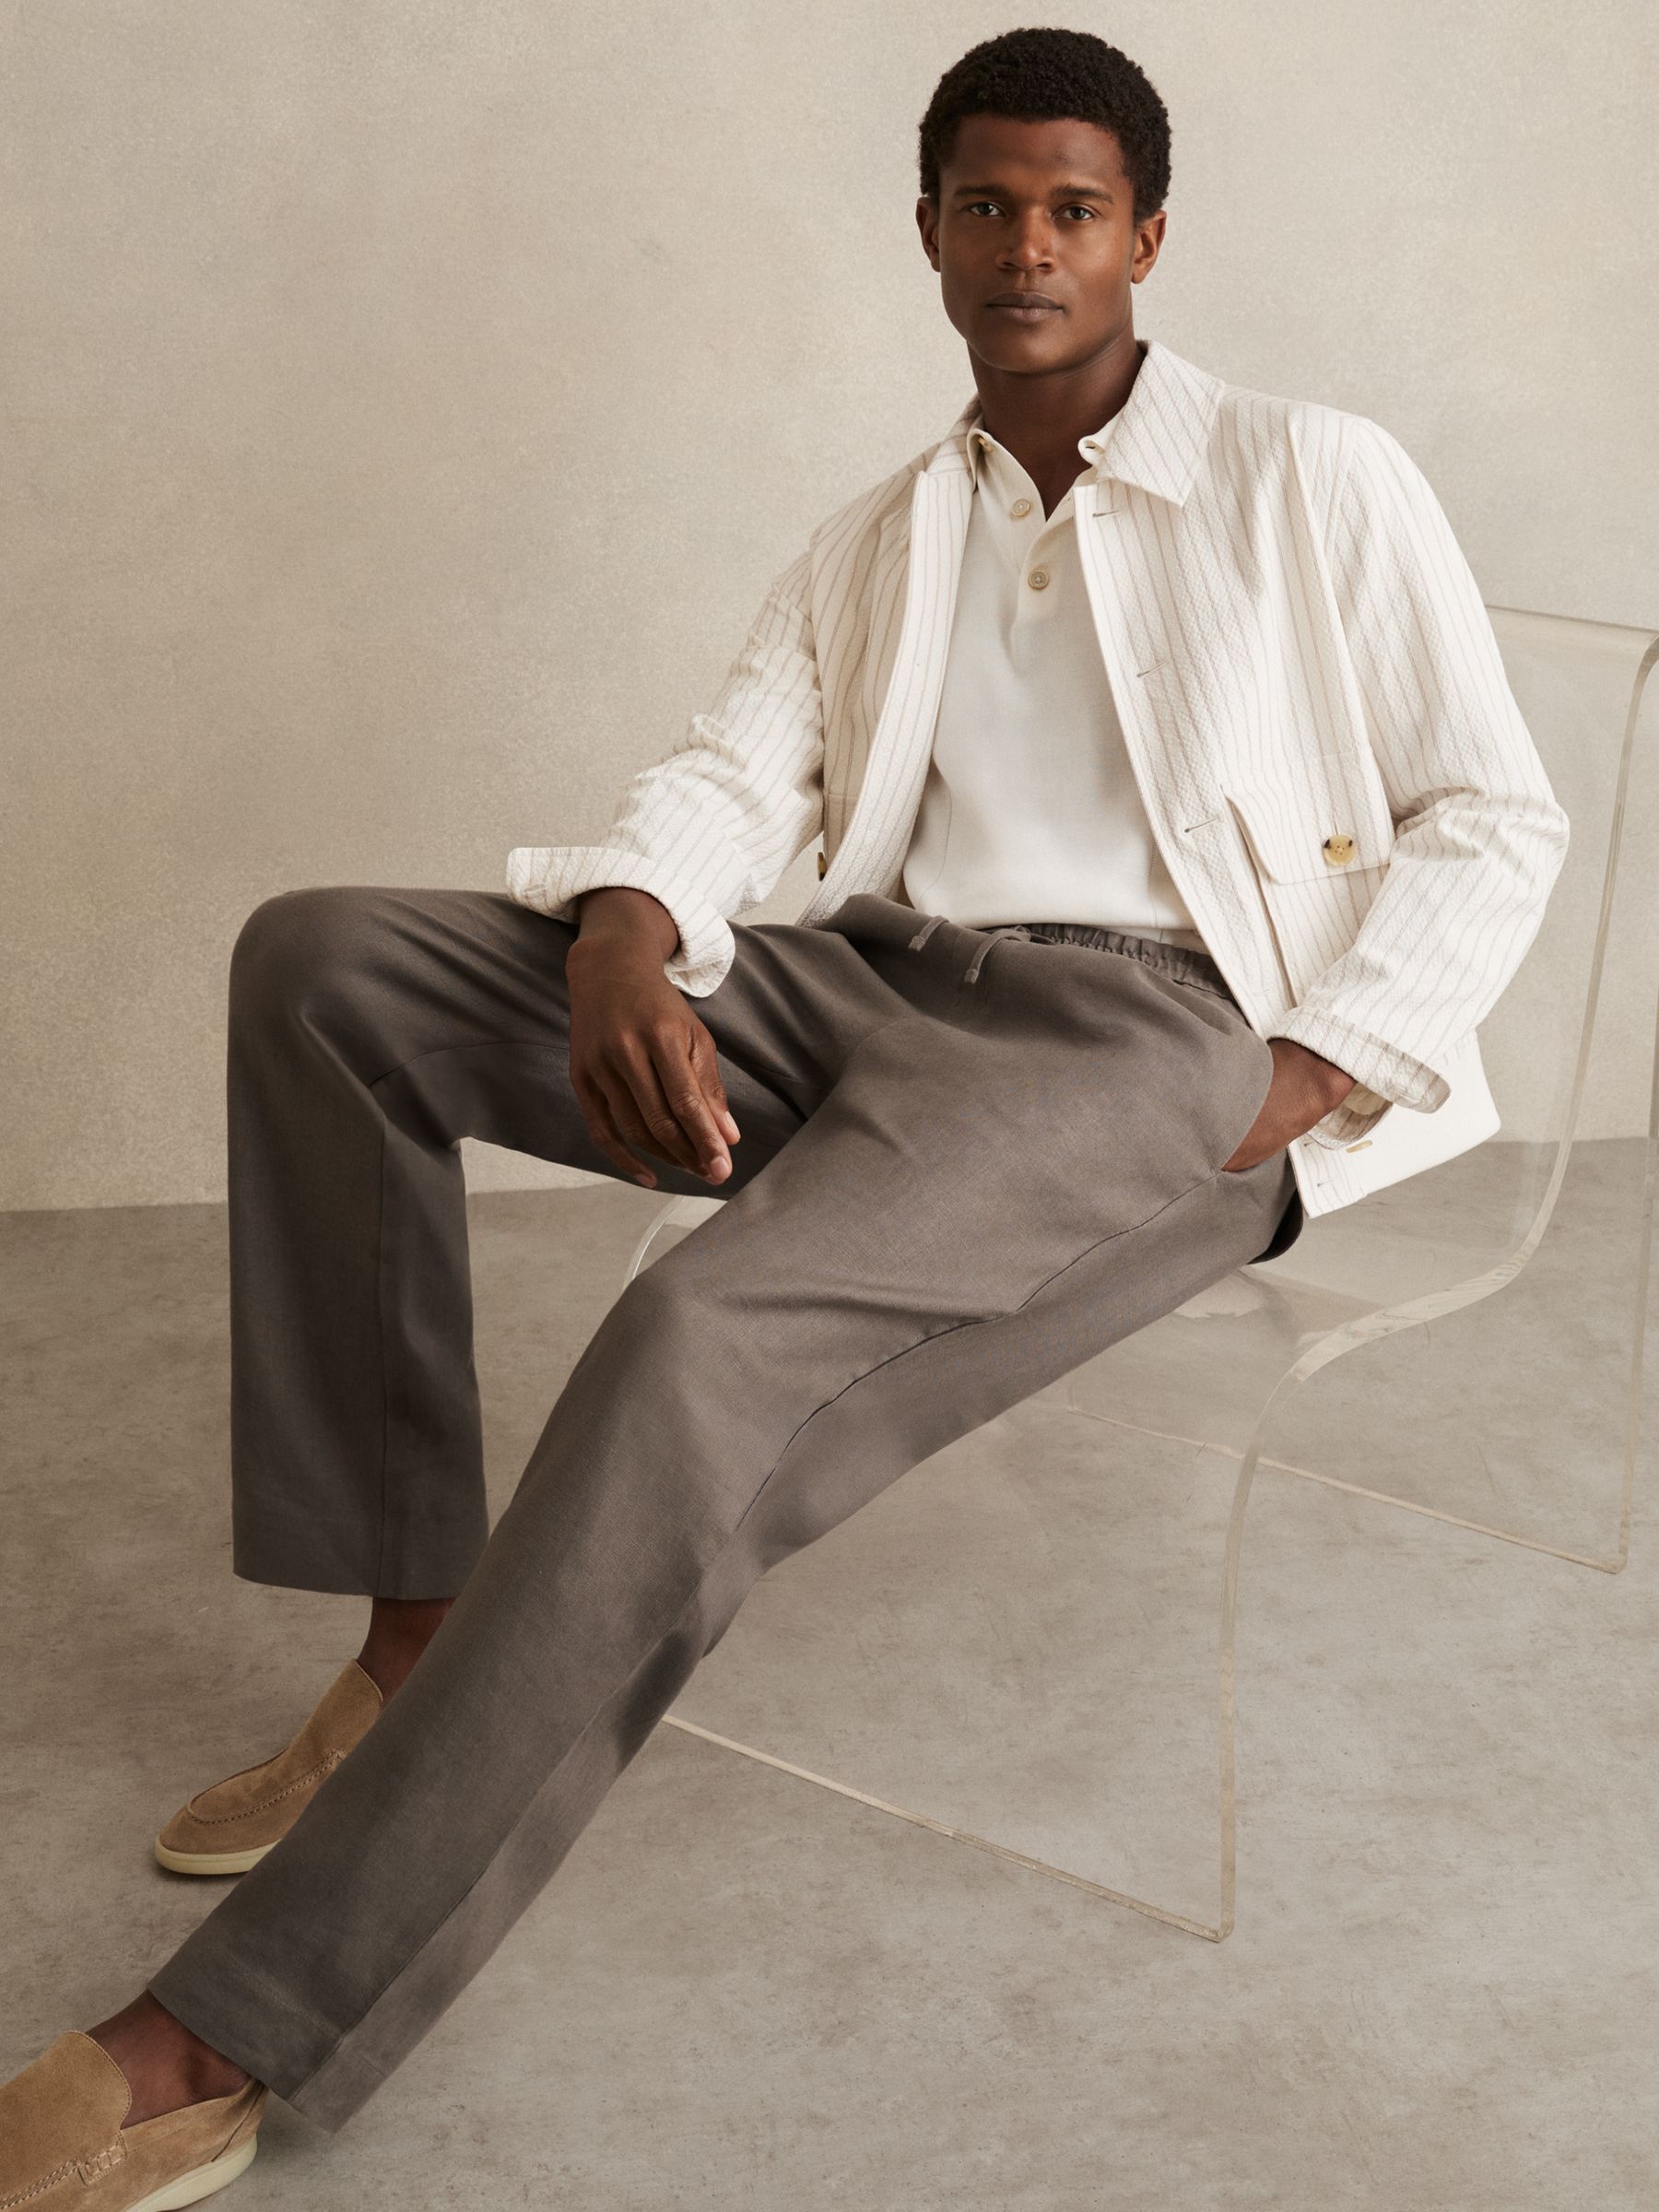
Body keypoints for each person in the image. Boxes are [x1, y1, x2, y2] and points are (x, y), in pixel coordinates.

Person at [1, 25, 1568, 2206]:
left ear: (1148, 239)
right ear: (927, 232)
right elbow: (744, 766)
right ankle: (417, 1641)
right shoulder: (888, 531)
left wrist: (1307, 1072)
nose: (1028, 246)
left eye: (1076, 208)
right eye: (987, 205)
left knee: (691, 1338)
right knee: (324, 968)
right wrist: (630, 927)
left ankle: (225, 2033)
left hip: (1153, 1046)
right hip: (874, 982)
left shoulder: (1314, 477)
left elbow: (1491, 809)